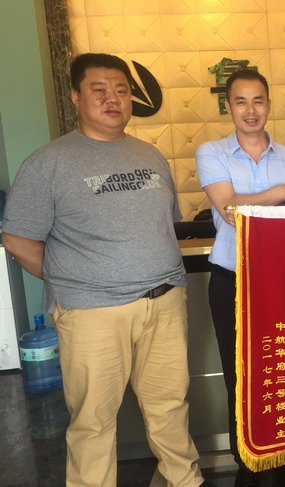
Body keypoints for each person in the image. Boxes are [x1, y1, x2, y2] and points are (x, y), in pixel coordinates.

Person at [2, 53, 211, 487]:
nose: (112, 98)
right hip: (92, 312)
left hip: (164, 302)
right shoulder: (49, 162)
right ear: (76, 97)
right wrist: (75, 280)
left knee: (170, 408)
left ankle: (183, 480)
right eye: (99, 89)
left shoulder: (150, 155)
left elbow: (163, 226)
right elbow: (18, 240)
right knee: (93, 421)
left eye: (121, 89)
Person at [195, 69, 285, 487]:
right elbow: (230, 208)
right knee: (240, 372)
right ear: (228, 106)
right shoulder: (212, 152)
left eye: (258, 100)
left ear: (269, 104)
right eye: (241, 101)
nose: (251, 110)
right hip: (232, 279)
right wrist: (284, 192)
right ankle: (247, 458)